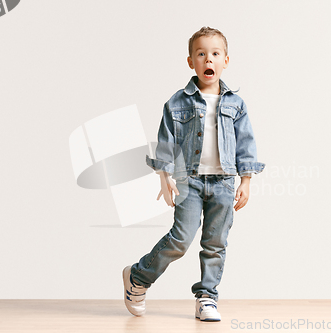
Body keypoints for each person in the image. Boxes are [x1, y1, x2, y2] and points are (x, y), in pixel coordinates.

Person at [122, 26, 265, 322]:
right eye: (201, 54)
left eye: (214, 54)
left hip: (224, 183)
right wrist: (165, 176)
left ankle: (207, 297)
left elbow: (246, 143)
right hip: (189, 183)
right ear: (191, 62)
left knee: (216, 244)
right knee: (181, 239)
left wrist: (246, 180)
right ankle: (138, 277)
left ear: (226, 60)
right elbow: (166, 143)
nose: (208, 59)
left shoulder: (236, 105)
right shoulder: (177, 103)